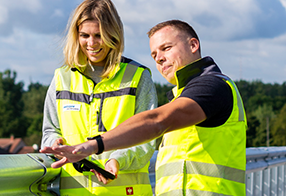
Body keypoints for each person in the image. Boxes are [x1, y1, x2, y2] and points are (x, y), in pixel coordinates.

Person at [41, 19, 247, 196]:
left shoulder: (212, 87)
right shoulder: (182, 94)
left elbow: (156, 122)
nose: (159, 58)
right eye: (154, 54)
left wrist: (93, 146)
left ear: (193, 45)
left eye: (166, 48)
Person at [40, 0, 157, 195]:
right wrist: (56, 144)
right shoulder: (61, 78)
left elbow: (147, 139)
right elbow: (49, 131)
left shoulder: (137, 77)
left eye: (99, 36)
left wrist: (116, 160)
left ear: (113, 35)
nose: (91, 43)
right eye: (84, 35)